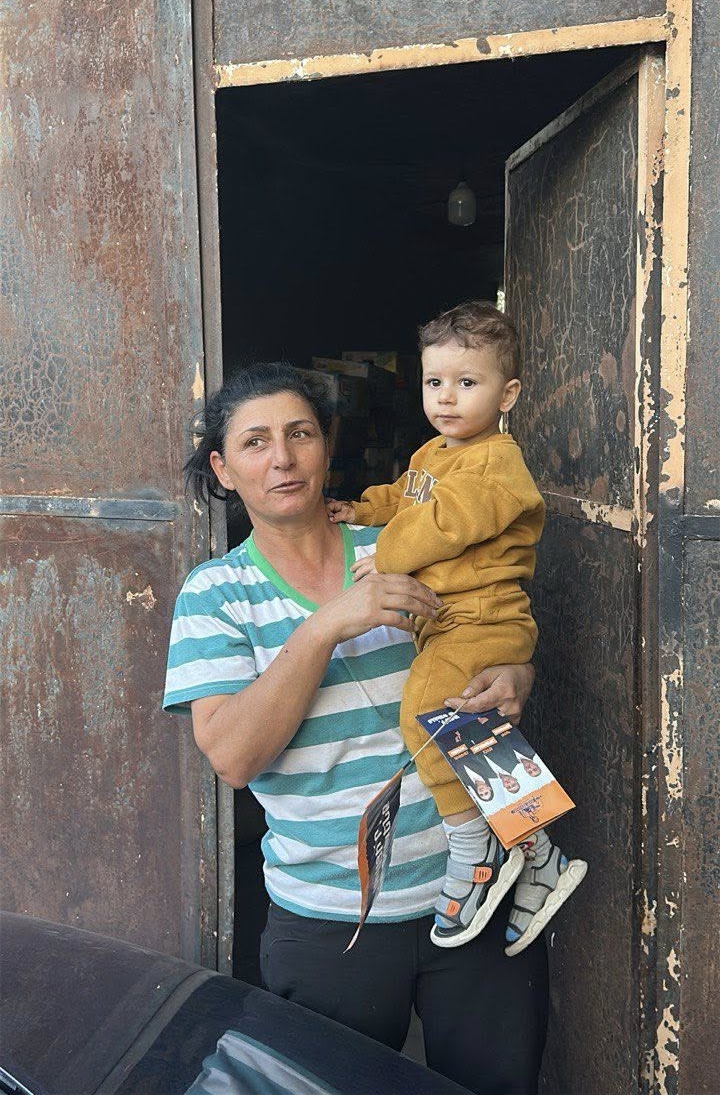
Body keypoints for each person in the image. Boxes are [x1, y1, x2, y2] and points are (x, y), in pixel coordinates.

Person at [163, 362, 547, 1095]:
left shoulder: (407, 541)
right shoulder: (215, 595)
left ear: (326, 445)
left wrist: (515, 674)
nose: (282, 458)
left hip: (486, 885)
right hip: (335, 918)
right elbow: (234, 758)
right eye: (255, 442)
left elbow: (496, 616)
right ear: (223, 469)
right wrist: (324, 627)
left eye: (300, 434)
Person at [327, 302, 586, 954]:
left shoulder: (496, 462)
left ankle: (474, 852)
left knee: (423, 715)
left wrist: (384, 554)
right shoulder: (434, 453)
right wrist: (362, 508)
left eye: (467, 383)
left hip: (483, 619)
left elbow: (445, 524)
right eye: (434, 382)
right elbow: (406, 496)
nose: (446, 397)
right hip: (452, 623)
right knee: (473, 733)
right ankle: (540, 856)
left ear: (508, 395)